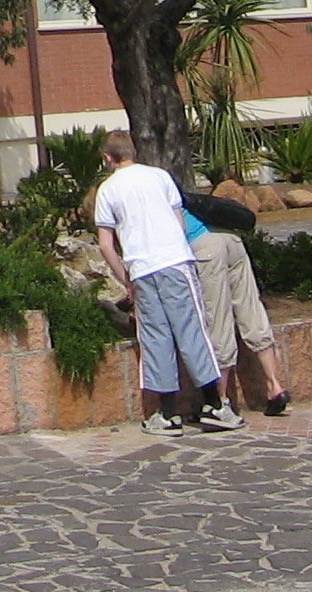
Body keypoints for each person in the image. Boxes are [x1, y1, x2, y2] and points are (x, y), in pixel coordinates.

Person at [89, 128, 240, 433]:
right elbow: (179, 220)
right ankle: (214, 404)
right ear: (134, 152)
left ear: (107, 157)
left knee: (155, 337)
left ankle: (167, 413)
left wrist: (126, 280)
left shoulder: (107, 190)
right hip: (174, 263)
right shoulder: (159, 176)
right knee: (191, 329)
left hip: (142, 269)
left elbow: (106, 244)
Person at [178, 183, 290, 416]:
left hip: (205, 248)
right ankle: (274, 386)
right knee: (251, 308)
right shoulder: (173, 190)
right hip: (230, 239)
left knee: (217, 318)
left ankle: (219, 400)